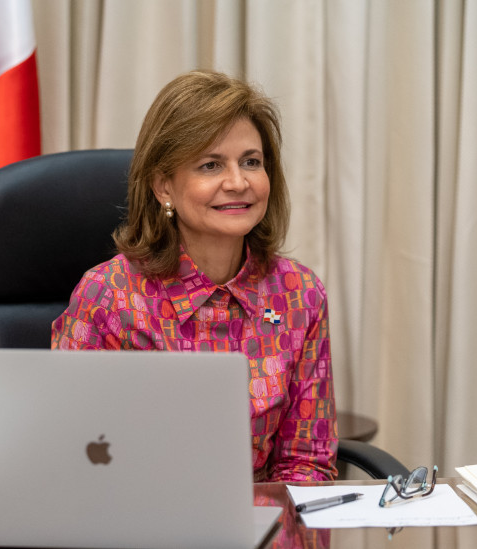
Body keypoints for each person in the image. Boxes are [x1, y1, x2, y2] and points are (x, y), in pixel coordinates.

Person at [51, 70, 337, 482]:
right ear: (163, 186)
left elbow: (306, 462)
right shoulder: (108, 297)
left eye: (251, 162)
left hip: (261, 517)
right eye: (210, 165)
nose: (237, 182)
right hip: (134, 512)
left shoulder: (298, 294)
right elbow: (70, 456)